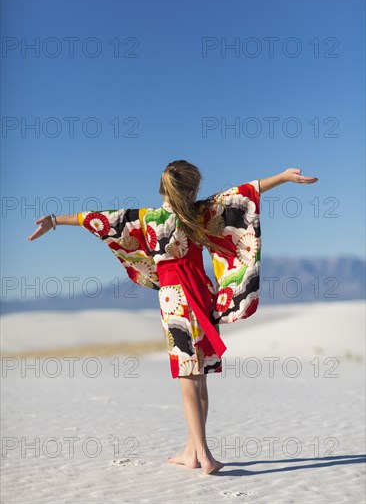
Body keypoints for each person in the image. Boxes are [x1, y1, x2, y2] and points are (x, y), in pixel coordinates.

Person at [27, 161, 318, 475]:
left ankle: (204, 455)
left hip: (175, 300)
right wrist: (284, 178)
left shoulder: (147, 218)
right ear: (192, 189)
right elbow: (245, 193)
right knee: (200, 374)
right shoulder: (200, 213)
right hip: (201, 293)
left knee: (187, 379)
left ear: (163, 188)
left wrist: (55, 220)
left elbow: (96, 219)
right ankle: (192, 450)